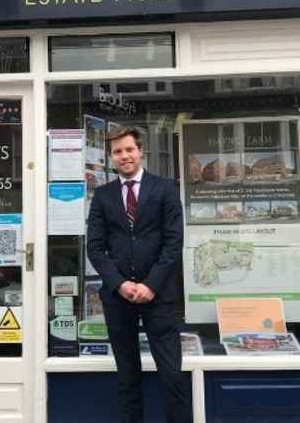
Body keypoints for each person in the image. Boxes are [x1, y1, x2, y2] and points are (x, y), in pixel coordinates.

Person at [87, 125, 192, 423]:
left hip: (158, 297)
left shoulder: (164, 189)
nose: (124, 156)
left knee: (172, 375)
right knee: (127, 377)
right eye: (118, 152)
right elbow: (95, 248)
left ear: (140, 151)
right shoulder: (103, 196)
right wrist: (119, 284)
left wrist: (150, 285)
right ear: (111, 157)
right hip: (119, 299)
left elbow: (174, 243)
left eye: (129, 149)